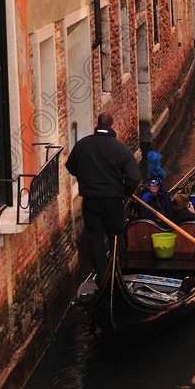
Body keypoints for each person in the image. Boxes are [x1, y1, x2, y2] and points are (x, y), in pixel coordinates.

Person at [66, 111, 140, 283]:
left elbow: (71, 166)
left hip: (91, 200)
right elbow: (134, 178)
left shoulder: (83, 145)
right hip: (113, 201)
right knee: (116, 235)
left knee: (95, 237)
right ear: (112, 126)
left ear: (97, 125)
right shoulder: (121, 149)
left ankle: (102, 275)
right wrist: (126, 192)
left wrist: (85, 177)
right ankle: (116, 272)